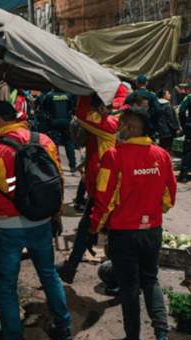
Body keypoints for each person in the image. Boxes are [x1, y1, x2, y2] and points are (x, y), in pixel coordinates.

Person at [0, 101, 72, 340]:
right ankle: (64, 329)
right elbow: (58, 181)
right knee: (48, 274)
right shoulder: (44, 141)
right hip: (41, 222)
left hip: (8, 229)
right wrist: (55, 215)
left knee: (6, 287)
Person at [89, 107, 176, 340]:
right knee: (151, 280)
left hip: (124, 233)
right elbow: (169, 196)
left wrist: (95, 228)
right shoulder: (162, 155)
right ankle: (161, 338)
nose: (119, 128)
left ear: (130, 128)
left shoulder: (113, 156)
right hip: (153, 230)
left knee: (129, 288)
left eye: (123, 124)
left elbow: (104, 198)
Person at [56, 93, 119, 284]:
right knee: (97, 228)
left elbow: (81, 113)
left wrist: (85, 90)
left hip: (105, 187)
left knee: (97, 228)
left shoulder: (107, 124)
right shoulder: (106, 125)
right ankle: (74, 266)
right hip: (100, 185)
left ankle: (116, 277)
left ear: (100, 109)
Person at [42, 89, 77, 172]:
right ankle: (72, 166)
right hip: (66, 122)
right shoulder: (69, 94)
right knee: (69, 143)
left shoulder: (49, 95)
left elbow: (44, 108)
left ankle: (56, 164)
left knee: (54, 144)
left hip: (54, 122)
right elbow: (72, 108)